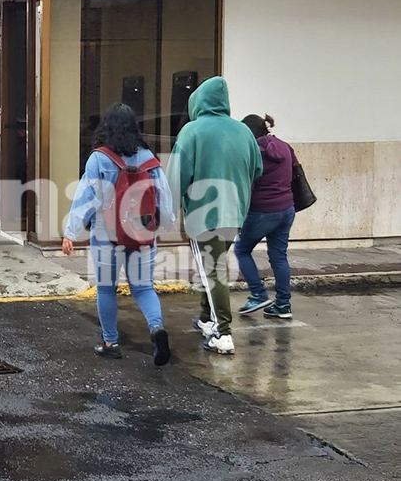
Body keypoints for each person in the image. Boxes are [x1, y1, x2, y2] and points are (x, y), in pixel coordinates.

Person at [62, 103, 175, 366]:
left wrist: (71, 232)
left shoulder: (99, 159)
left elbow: (86, 198)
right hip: (143, 235)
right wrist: (164, 226)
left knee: (106, 289)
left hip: (107, 237)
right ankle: (156, 329)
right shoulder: (149, 159)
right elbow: (163, 198)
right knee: (144, 287)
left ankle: (110, 342)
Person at [165, 76, 263, 355]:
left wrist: (170, 210)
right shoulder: (243, 131)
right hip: (235, 213)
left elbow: (177, 175)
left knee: (213, 272)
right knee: (214, 266)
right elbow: (257, 169)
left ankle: (223, 332)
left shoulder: (192, 131)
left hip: (203, 214)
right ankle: (208, 318)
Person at [234, 114, 297, 319]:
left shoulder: (253, 151)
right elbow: (296, 173)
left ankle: (258, 294)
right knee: (279, 256)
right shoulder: (285, 146)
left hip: (262, 211)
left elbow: (246, 183)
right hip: (287, 209)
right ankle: (283, 305)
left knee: (242, 249)